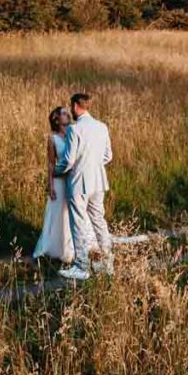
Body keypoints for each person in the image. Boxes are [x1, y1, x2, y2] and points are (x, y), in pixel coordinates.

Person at [54, 93, 114, 281]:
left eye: (72, 107)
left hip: (79, 182)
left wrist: (57, 171)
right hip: (98, 181)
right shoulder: (102, 127)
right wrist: (93, 163)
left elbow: (69, 160)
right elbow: (108, 156)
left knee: (78, 223)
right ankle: (107, 262)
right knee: (99, 220)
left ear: (75, 106)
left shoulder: (74, 129)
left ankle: (82, 266)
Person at [32, 107, 75, 264]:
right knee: (56, 213)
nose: (68, 115)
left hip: (72, 180)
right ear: (56, 119)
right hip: (58, 181)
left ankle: (71, 248)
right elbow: (51, 163)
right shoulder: (52, 138)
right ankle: (53, 247)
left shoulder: (74, 133)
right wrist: (50, 186)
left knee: (71, 213)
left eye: (67, 112)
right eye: (63, 113)